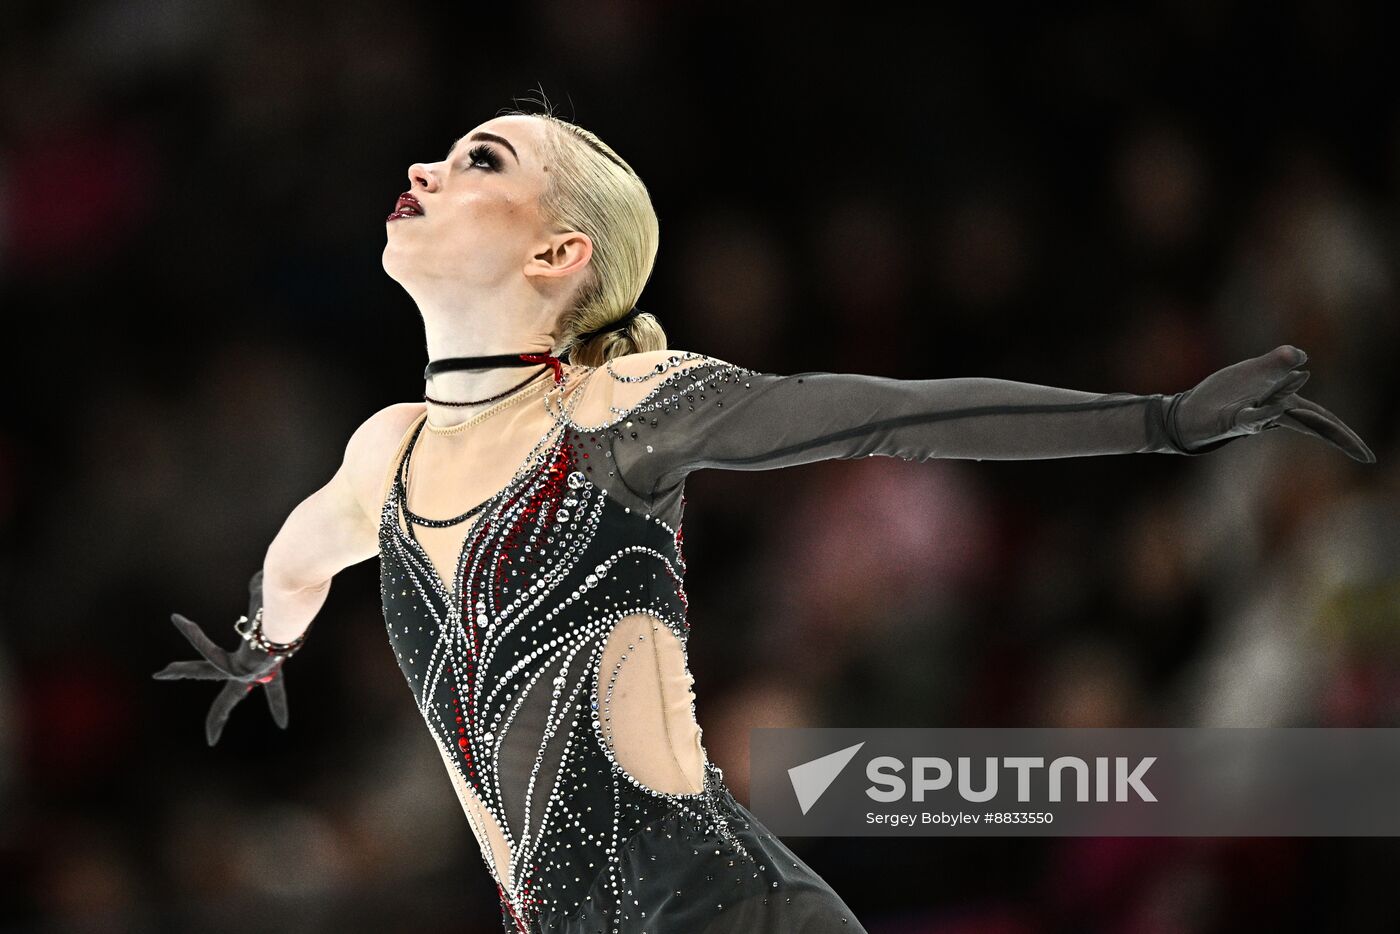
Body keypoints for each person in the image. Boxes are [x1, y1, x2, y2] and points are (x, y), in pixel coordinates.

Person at [152, 108, 1376, 934]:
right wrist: (261, 641)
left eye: (480, 161)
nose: (423, 168)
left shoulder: (615, 407)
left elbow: (887, 417)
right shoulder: (387, 453)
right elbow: (300, 556)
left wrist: (1160, 421)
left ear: (560, 251)